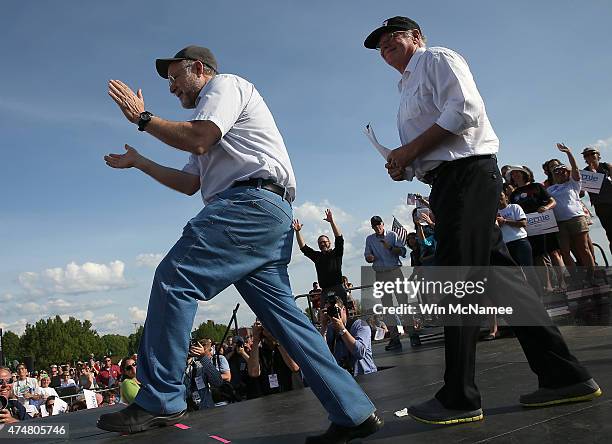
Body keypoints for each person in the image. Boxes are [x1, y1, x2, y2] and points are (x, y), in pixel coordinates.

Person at [97, 45, 382, 442]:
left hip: (246, 207)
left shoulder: (225, 87)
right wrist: (141, 162)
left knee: (174, 279)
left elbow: (198, 139)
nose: (173, 87)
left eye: (176, 77)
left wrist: (143, 119)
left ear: (199, 68)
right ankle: (353, 412)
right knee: (288, 323)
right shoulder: (208, 119)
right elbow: (189, 183)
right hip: (265, 215)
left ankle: (161, 397)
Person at [365, 16, 601, 424]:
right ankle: (564, 374)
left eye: (393, 40)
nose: (387, 49)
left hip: (468, 176)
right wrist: (404, 162)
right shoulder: (404, 87)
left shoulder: (437, 59)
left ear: (416, 38)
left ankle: (459, 394)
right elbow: (433, 140)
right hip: (447, 180)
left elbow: (466, 110)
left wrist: (412, 150)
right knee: (503, 281)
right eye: (381, 47)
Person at [548, 144, 595, 282]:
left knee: (583, 249)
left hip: (576, 219)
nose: (560, 173)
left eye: (562, 171)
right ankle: (576, 278)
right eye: (556, 172)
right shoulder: (550, 190)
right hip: (560, 223)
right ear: (552, 175)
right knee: (565, 251)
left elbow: (575, 169)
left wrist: (568, 153)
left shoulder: (573, 184)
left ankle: (590, 276)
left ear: (567, 173)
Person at [364, 216, 407, 351]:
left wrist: (390, 248)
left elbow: (403, 251)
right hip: (381, 274)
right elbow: (367, 256)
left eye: (379, 224)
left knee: (403, 302)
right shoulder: (369, 239)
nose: (377, 227)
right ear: (372, 227)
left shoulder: (392, 235)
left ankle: (414, 335)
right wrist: (369, 258)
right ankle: (395, 339)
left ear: (383, 224)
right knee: (388, 308)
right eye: (375, 226)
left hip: (395, 271)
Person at [293, 209, 348, 305]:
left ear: (329, 243)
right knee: (325, 315)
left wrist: (332, 222)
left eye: (324, 242)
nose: (322, 244)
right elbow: (304, 248)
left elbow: (339, 238)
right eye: (320, 242)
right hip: (325, 291)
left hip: (338, 288)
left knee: (343, 313)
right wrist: (297, 232)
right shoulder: (317, 256)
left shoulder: (337, 253)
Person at [321, 297, 377, 376]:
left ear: (343, 310)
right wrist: (323, 327)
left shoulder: (360, 325)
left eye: (335, 310)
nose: (332, 314)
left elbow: (360, 353)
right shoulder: (329, 329)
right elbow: (322, 354)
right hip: (344, 378)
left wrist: (342, 329)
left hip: (365, 375)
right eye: (329, 311)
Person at [247, 322, 301, 399]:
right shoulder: (258, 351)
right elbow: (253, 373)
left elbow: (294, 367)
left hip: (290, 394)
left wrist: (277, 340)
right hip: (268, 398)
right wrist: (255, 340)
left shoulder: (286, 346)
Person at [582, 146, 612, 253]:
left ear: (598, 155)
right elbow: (581, 193)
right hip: (601, 206)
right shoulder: (585, 173)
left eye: (592, 153)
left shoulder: (606, 167)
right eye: (587, 155)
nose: (590, 156)